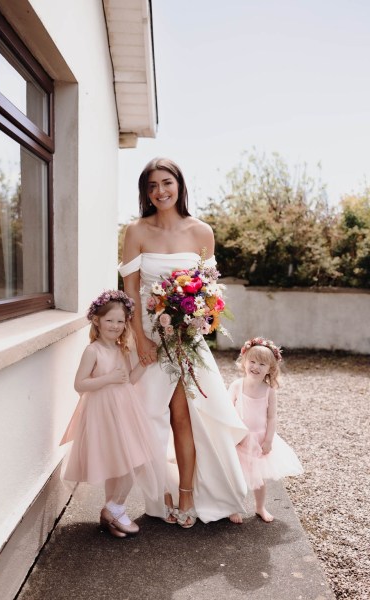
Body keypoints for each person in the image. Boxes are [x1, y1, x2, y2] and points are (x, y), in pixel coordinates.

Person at [119, 157, 248, 528]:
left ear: (179, 185)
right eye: (152, 186)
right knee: (149, 417)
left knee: (186, 417)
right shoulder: (135, 231)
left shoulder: (201, 231)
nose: (160, 191)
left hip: (187, 336)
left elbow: (209, 290)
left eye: (166, 183)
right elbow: (129, 290)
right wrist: (139, 338)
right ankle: (159, 496)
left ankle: (190, 496)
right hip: (149, 335)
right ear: (145, 192)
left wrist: (200, 319)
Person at [60, 290, 163, 538]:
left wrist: (143, 364)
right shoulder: (92, 351)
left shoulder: (122, 348)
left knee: (131, 461)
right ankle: (115, 508)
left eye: (120, 321)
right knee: (123, 463)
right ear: (97, 320)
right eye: (109, 320)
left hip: (125, 409)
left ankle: (110, 511)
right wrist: (107, 378)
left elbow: (128, 380)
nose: (115, 326)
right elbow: (80, 384)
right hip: (103, 412)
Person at [228, 337, 304, 523]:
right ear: (244, 362)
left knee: (259, 478)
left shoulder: (269, 390)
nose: (255, 366)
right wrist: (231, 435)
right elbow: (228, 411)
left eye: (262, 364)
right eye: (252, 361)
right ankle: (234, 507)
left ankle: (260, 506)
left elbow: (271, 417)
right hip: (239, 438)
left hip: (260, 439)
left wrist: (269, 440)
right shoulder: (237, 385)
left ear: (270, 368)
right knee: (236, 476)